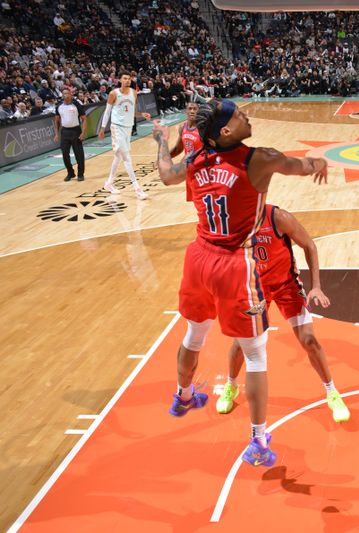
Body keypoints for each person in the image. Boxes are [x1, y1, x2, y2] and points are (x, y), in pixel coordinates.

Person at [151, 99, 328, 468]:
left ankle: (183, 396)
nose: (246, 115)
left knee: (194, 336)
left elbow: (166, 174)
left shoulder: (197, 158)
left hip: (198, 257)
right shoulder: (260, 158)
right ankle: (258, 441)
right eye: (239, 115)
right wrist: (319, 162)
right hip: (233, 263)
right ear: (227, 132)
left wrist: (159, 141)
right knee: (256, 354)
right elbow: (303, 166)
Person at [217, 204, 350, 422]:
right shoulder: (233, 224)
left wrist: (316, 286)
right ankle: (231, 386)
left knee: (309, 341)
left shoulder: (277, 217)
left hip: (286, 285)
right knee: (240, 344)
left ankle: (332, 392)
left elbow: (309, 245)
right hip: (255, 289)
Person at [99, 71, 151, 200]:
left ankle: (109, 183)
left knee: (118, 156)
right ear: (120, 80)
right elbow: (107, 112)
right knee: (127, 157)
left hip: (128, 128)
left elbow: (132, 111)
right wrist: (102, 128)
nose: (128, 80)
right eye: (125, 78)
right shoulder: (114, 94)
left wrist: (142, 114)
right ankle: (137, 189)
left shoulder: (134, 93)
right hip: (117, 128)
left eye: (129, 78)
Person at [169, 101, 202, 202]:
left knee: (205, 201)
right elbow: (178, 149)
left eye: (195, 109)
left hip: (203, 170)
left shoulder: (203, 128)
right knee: (196, 202)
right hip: (190, 170)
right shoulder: (183, 127)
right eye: (190, 109)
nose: (192, 111)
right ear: (186, 111)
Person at [54, 88, 87, 182]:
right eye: (64, 93)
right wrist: (56, 134)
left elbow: (84, 119)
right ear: (62, 95)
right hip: (64, 132)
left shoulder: (76, 104)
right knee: (65, 153)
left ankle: (80, 174)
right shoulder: (59, 106)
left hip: (76, 131)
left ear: (71, 94)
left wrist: (83, 132)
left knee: (79, 154)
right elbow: (56, 120)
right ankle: (70, 173)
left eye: (68, 93)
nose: (66, 95)